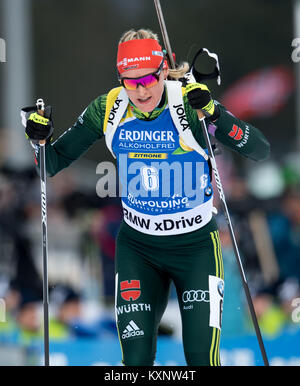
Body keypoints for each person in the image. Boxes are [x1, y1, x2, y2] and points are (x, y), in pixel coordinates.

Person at [21, 28, 270, 366]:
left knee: (200, 357)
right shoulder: (108, 108)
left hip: (195, 246)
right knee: (136, 361)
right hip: (139, 247)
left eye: (148, 79)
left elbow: (258, 149)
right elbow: (50, 164)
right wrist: (38, 138)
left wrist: (213, 112)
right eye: (129, 80)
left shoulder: (188, 102)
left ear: (163, 70)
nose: (140, 90)